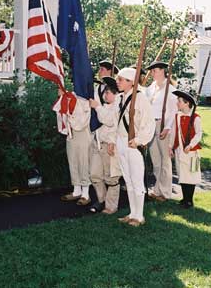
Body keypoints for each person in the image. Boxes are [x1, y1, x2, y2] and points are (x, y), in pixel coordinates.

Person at [111, 67, 155, 227]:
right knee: (128, 180)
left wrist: (139, 140)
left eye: (121, 79)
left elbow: (148, 123)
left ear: (130, 82)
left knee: (137, 181)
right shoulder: (119, 98)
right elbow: (115, 122)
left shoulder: (140, 99)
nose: (117, 82)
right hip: (121, 142)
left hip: (133, 144)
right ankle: (132, 213)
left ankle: (140, 216)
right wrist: (114, 142)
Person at [146, 61, 177, 202]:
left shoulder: (169, 90)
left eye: (154, 71)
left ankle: (165, 192)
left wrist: (167, 127)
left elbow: (173, 111)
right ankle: (157, 189)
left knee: (165, 160)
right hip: (151, 125)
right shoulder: (151, 88)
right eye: (151, 71)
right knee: (156, 160)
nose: (152, 73)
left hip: (163, 125)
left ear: (162, 71)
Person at [89, 77, 121, 214]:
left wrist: (97, 107)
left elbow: (108, 120)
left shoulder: (117, 107)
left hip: (110, 145)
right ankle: (101, 200)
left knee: (111, 177)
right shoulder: (105, 106)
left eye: (108, 92)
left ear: (115, 94)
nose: (105, 95)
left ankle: (111, 205)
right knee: (95, 174)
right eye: (105, 92)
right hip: (98, 144)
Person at [169, 90, 202, 208]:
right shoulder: (178, 116)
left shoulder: (196, 118)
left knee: (191, 175)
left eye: (179, 101)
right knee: (182, 174)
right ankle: (184, 198)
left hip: (192, 153)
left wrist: (191, 145)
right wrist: (170, 147)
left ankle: (189, 200)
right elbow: (174, 132)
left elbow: (199, 134)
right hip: (180, 151)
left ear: (186, 103)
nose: (177, 103)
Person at [60, 95, 92, 206]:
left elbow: (81, 123)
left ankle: (85, 194)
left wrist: (69, 117)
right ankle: (77, 190)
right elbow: (61, 116)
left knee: (83, 163)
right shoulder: (68, 98)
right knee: (73, 162)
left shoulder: (86, 100)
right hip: (71, 135)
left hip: (83, 135)